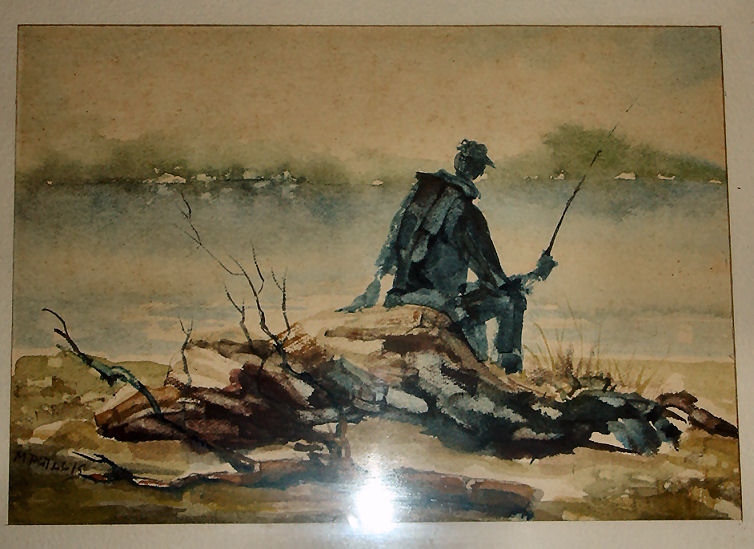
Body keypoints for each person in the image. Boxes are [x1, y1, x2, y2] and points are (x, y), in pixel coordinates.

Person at [339, 139, 556, 373]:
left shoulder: (420, 195)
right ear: (479, 171)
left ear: (457, 161)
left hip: (402, 295)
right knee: (512, 300)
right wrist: (537, 274)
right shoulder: (466, 212)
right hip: (439, 302)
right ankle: (508, 373)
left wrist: (397, 289)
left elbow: (397, 245)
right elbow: (493, 279)